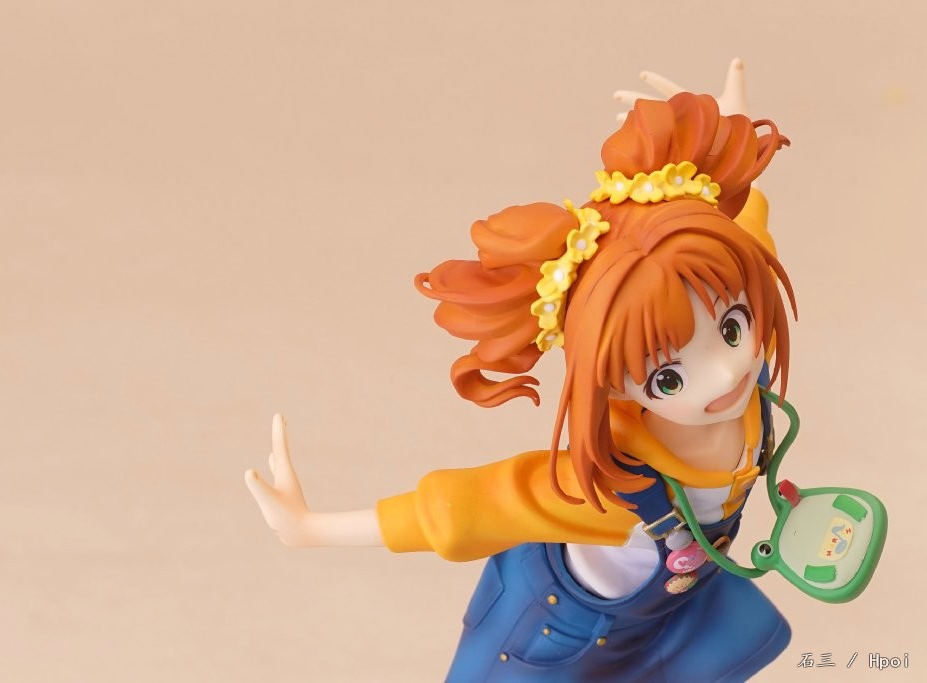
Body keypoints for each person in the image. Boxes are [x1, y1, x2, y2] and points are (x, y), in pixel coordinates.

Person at [246, 62, 798, 682]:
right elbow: (461, 507)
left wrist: (727, 135)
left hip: (677, 614)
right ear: (610, 381)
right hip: (558, 634)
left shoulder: (741, 366)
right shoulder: (602, 488)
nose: (725, 373)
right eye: (667, 378)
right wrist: (311, 528)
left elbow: (743, 243)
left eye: (733, 329)